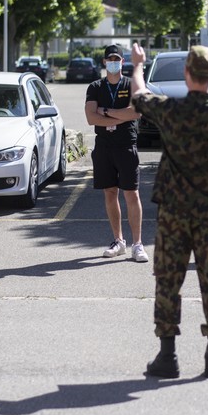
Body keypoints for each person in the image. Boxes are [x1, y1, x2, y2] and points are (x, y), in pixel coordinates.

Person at [130, 44, 208, 379]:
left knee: (168, 282)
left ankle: (167, 357)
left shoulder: (171, 110)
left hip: (173, 214)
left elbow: (138, 96)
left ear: (186, 73)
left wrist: (138, 66)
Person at [84, 45, 147, 262]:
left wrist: (107, 112)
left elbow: (137, 112)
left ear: (122, 61)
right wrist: (123, 116)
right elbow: (91, 118)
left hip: (126, 145)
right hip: (104, 147)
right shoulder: (95, 86)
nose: (113, 62)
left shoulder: (130, 84)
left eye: (117, 59)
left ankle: (138, 244)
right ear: (104, 62)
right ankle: (118, 241)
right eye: (110, 59)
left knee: (132, 194)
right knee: (110, 193)